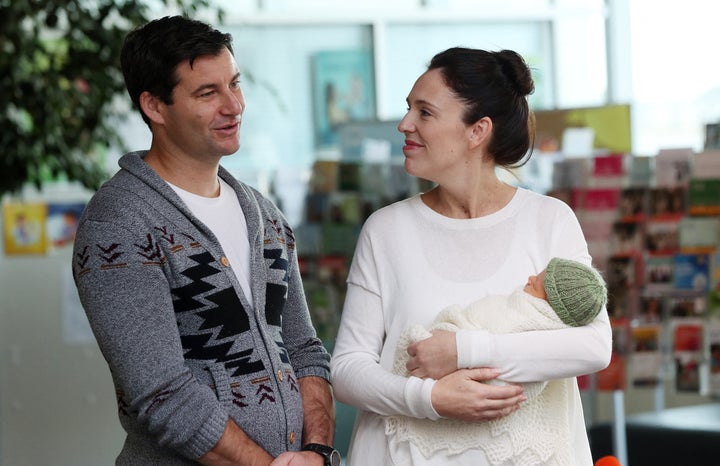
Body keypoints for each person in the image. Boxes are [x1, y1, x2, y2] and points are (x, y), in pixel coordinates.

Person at [72, 16, 338, 466]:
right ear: (155, 106)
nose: (234, 106)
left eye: (234, 84)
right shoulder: (119, 223)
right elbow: (162, 393)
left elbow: (305, 350)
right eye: (207, 93)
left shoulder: (264, 213)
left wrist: (317, 451)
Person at [329, 46, 612, 466]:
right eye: (409, 109)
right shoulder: (386, 230)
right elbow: (347, 370)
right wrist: (431, 398)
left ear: (477, 131)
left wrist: (464, 351)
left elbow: (593, 346)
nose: (405, 124)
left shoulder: (549, 220)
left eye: (425, 112)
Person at [388, 257, 608, 465]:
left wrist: (461, 350)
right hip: (448, 343)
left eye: (537, 285)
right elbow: (488, 312)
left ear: (551, 305)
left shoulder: (538, 326)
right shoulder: (516, 303)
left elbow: (520, 374)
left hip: (459, 379)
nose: (530, 278)